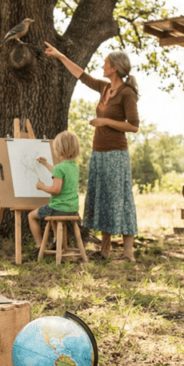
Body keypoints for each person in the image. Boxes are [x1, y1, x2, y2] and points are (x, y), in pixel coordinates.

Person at [44, 42, 139, 262]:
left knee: (120, 199)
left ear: (114, 68)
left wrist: (105, 120)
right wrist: (59, 55)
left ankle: (128, 252)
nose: (103, 66)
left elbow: (134, 126)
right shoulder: (105, 87)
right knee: (104, 199)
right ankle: (105, 251)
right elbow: (81, 75)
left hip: (116, 153)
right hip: (98, 152)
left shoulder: (127, 93)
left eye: (106, 63)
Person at [28, 131, 81, 250]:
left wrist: (42, 187)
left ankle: (39, 245)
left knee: (31, 216)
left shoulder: (59, 168)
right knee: (53, 216)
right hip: (72, 208)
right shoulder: (73, 167)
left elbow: (56, 190)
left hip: (58, 208)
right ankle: (57, 242)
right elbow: (58, 173)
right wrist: (45, 164)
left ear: (58, 149)